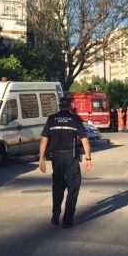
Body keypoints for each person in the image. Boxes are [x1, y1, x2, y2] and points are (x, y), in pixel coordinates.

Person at [39, 97, 92, 228]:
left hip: (56, 158)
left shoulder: (51, 118)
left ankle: (56, 213)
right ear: (70, 106)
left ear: (59, 106)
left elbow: (44, 140)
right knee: (73, 187)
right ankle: (68, 220)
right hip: (71, 158)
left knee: (58, 185)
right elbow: (85, 140)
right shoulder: (75, 119)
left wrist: (41, 159)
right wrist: (88, 159)